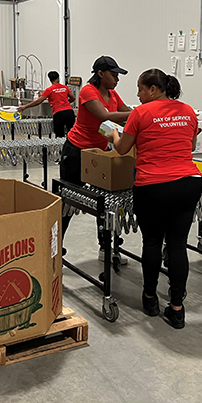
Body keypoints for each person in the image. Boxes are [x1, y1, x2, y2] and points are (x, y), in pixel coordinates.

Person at [110, 69, 202, 329]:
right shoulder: (188, 110)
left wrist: (113, 135)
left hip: (153, 186)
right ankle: (176, 308)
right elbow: (191, 146)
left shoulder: (140, 113)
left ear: (152, 89)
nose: (138, 95)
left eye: (140, 89)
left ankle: (150, 298)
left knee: (152, 242)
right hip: (188, 183)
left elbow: (122, 148)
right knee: (177, 245)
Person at [60, 56, 131, 259]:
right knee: (68, 201)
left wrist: (143, 112)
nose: (117, 79)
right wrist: (138, 115)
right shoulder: (88, 92)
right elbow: (105, 116)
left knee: (104, 201)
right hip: (76, 152)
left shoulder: (113, 94)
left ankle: (105, 248)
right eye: (114, 75)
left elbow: (126, 111)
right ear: (100, 74)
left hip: (100, 155)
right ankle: (54, 247)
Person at [17, 71, 76, 138]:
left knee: (59, 137)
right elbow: (73, 98)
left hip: (59, 114)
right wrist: (65, 103)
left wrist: (25, 107)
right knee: (73, 135)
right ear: (58, 78)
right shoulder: (65, 88)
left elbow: (38, 101)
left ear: (49, 79)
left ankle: (60, 148)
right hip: (69, 112)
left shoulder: (49, 90)